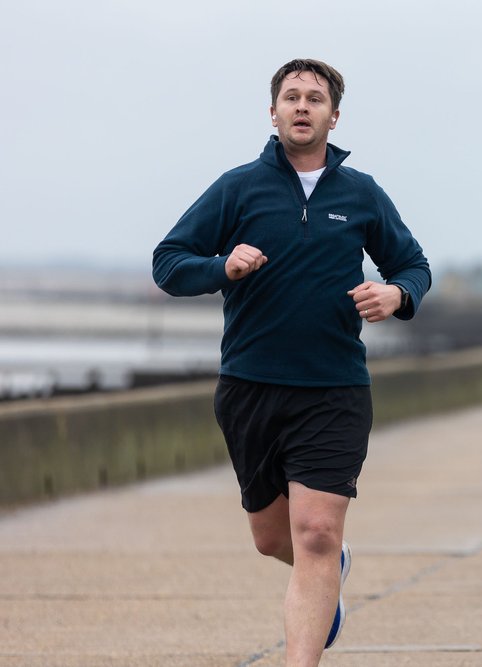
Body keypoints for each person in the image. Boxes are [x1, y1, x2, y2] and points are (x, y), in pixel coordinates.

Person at [152, 58, 431, 666]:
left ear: (334, 115)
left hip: (334, 389)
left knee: (316, 532)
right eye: (291, 97)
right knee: (273, 537)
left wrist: (397, 294)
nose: (303, 106)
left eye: (315, 98)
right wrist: (221, 266)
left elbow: (413, 265)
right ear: (273, 111)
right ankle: (334, 565)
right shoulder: (238, 188)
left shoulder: (361, 194)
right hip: (250, 387)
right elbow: (168, 262)